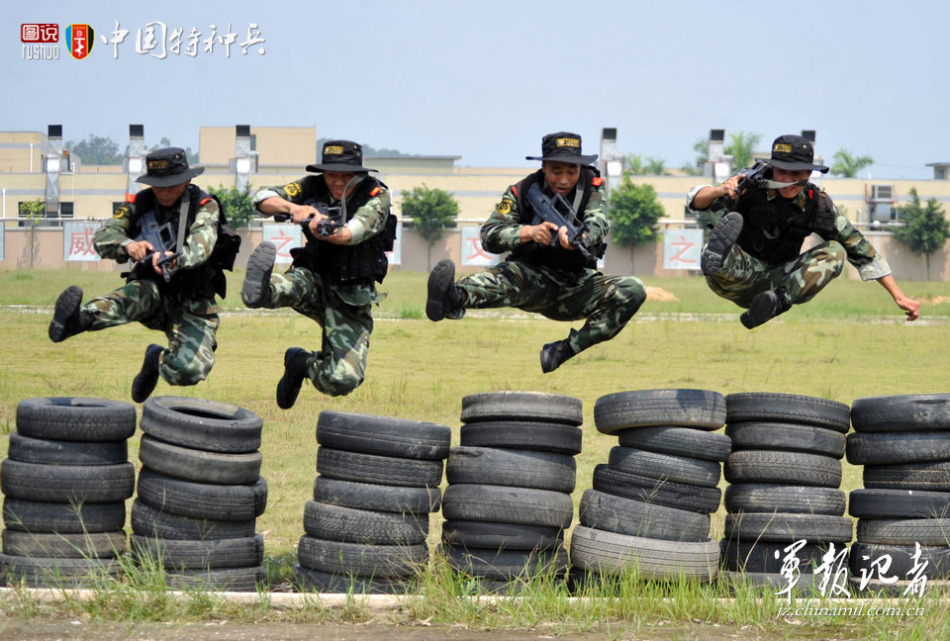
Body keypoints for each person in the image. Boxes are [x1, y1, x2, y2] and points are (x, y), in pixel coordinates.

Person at [425, 131, 646, 373]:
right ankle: (452, 298)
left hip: (576, 287)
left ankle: (564, 350)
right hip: (529, 280)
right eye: (556, 171)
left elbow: (598, 221)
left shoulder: (592, 187)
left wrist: (578, 238)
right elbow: (489, 236)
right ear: (543, 166)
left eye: (571, 172)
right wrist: (528, 233)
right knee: (503, 277)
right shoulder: (521, 192)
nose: (563, 179)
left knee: (633, 289)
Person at [688, 134, 921, 329]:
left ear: (809, 173)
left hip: (776, 283)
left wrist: (898, 296)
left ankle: (775, 304)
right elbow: (695, 200)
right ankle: (715, 261)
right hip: (736, 274)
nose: (788, 180)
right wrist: (720, 190)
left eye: (796, 174)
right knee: (718, 245)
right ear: (772, 168)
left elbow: (862, 251)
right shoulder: (748, 184)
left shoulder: (817, 204)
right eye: (782, 173)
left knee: (836, 251)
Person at [48, 147, 225, 403]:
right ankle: (79, 320)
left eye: (171, 184)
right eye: (157, 185)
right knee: (134, 293)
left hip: (193, 303)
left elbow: (201, 245)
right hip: (152, 293)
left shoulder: (204, 206)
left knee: (190, 371)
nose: (163, 191)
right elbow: (103, 237)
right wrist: (128, 245)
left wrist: (172, 260)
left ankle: (155, 360)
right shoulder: (138, 204)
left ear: (187, 180)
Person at [242, 140, 395, 408]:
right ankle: (262, 290)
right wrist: (293, 208)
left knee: (343, 379)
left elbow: (353, 232)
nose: (337, 182)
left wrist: (326, 229)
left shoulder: (376, 194)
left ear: (359, 174)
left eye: (345, 176)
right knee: (287, 286)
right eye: (331, 175)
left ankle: (300, 364)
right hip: (313, 278)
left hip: (351, 299)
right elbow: (261, 197)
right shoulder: (309, 186)